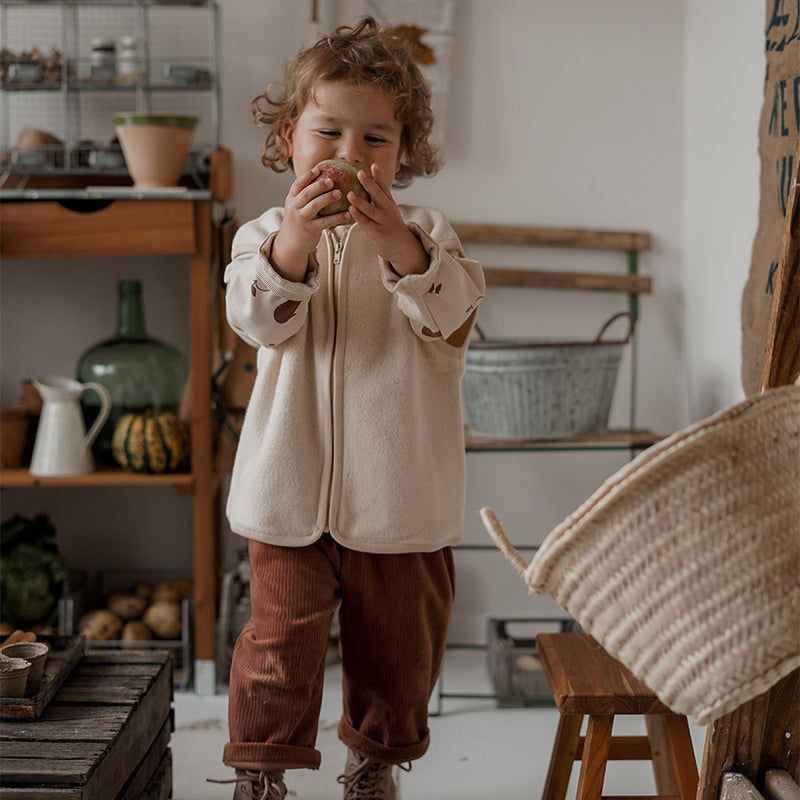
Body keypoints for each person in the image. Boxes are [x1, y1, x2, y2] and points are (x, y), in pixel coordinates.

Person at [218, 16, 485, 800]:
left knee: (401, 652)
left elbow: (452, 318)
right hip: (288, 492)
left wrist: (400, 244)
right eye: (327, 131)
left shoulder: (428, 236)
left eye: (375, 139)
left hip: (401, 498)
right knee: (276, 645)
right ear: (289, 137)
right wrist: (294, 238)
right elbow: (257, 320)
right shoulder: (261, 236)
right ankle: (262, 775)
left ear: (404, 153)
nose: (349, 155)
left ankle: (375, 761)